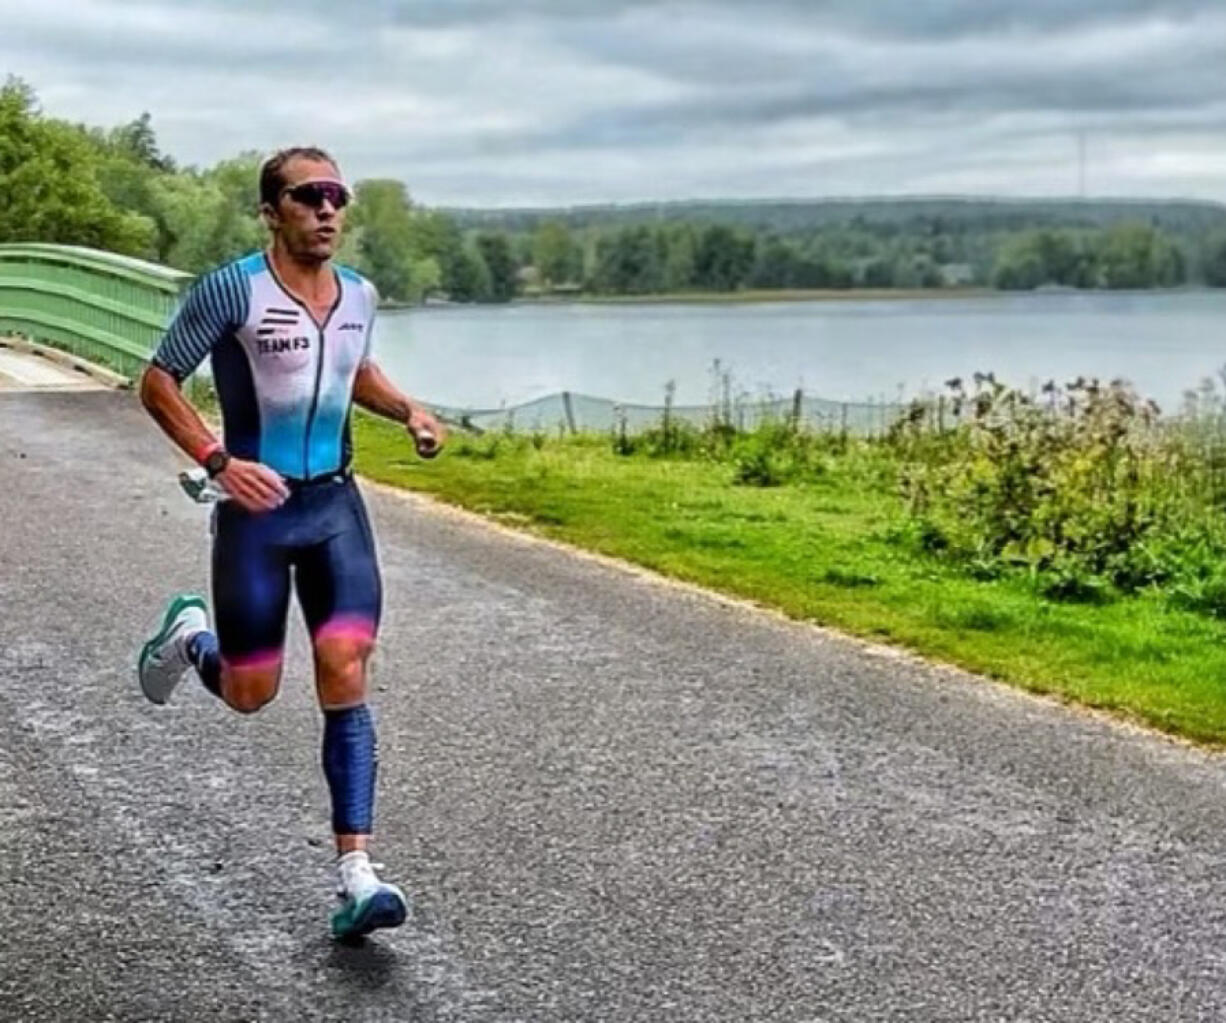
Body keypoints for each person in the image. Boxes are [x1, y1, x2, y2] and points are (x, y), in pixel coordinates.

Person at [135, 145, 444, 942]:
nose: (328, 210)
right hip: (257, 515)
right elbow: (158, 380)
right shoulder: (232, 289)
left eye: (337, 196)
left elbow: (353, 369)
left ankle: (358, 875)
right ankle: (190, 635)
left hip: (335, 506)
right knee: (251, 692)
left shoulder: (360, 296)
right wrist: (219, 462)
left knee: (345, 669)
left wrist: (407, 408)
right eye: (309, 197)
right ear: (272, 212)